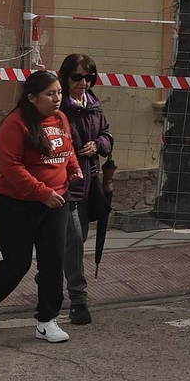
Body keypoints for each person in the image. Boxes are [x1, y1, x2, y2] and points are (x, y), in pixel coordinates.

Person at [0, 69, 81, 343]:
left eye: (58, 92)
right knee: (17, 263)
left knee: (53, 263)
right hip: (17, 205)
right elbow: (12, 168)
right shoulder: (14, 124)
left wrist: (75, 170)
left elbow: (67, 150)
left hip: (56, 202)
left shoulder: (61, 118)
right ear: (32, 98)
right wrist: (41, 192)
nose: (57, 98)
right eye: (50, 94)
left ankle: (47, 320)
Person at [58, 53, 113, 325]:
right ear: (66, 77)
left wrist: (98, 146)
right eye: (77, 77)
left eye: (89, 77)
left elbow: (107, 135)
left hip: (89, 184)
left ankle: (49, 276)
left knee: (73, 241)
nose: (83, 83)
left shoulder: (93, 104)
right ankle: (78, 300)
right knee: (74, 242)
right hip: (66, 185)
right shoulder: (59, 107)